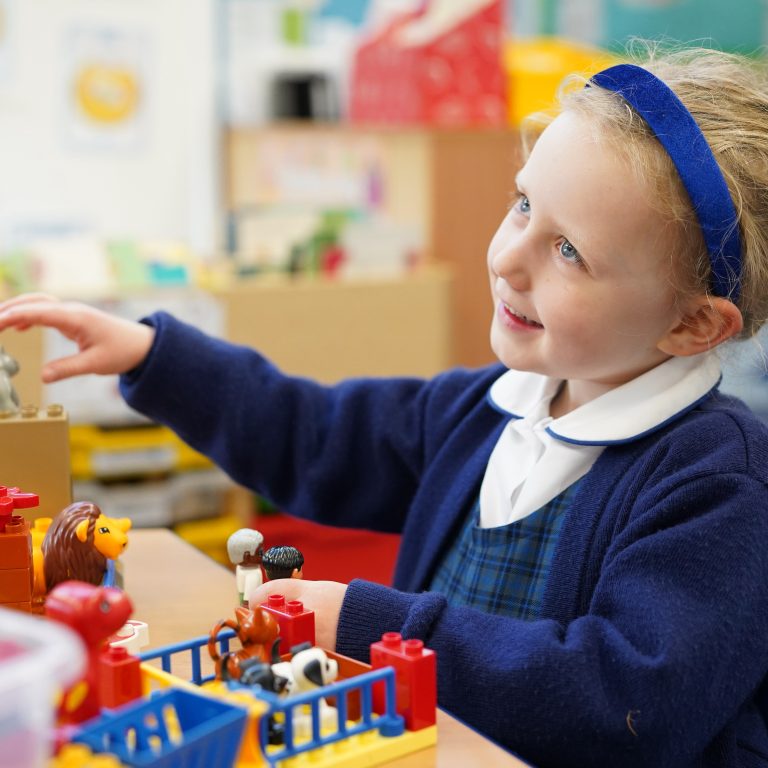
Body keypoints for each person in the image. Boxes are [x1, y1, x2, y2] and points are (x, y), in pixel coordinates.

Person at [2, 45, 768, 767]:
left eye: (569, 251)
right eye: (523, 205)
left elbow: (627, 703)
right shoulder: (486, 406)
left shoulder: (721, 484)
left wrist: (368, 624)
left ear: (691, 324)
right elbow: (311, 434)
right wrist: (156, 357)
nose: (506, 257)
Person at [226, 527, 265, 605]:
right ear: (247, 557)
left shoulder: (239, 568)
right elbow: (248, 600)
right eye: (260, 552)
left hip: (243, 599)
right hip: (253, 604)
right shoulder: (253, 574)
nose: (263, 554)